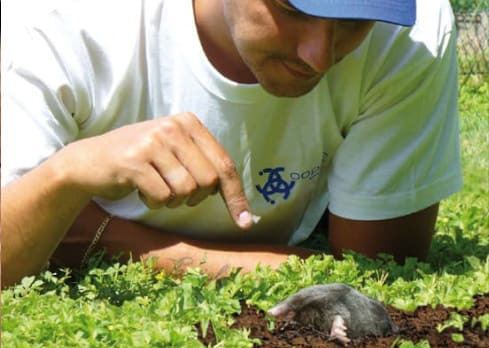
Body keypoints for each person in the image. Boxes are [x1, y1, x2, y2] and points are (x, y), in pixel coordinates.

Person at [1, 0, 462, 288]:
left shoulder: (409, 33)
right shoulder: (56, 21)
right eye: (294, 11)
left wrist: (85, 230)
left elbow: (376, 270)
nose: (319, 56)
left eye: (354, 22)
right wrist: (70, 171)